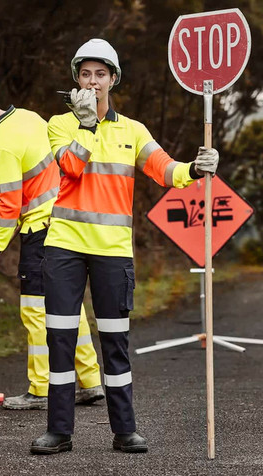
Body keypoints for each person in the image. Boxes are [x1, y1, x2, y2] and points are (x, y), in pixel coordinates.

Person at [30, 38, 219, 454]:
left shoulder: (133, 130)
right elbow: (71, 168)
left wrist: (195, 167)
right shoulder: (59, 124)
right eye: (85, 74)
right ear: (76, 80)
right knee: (59, 339)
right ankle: (59, 432)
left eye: (101, 74)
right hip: (63, 248)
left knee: (115, 342)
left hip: (113, 254)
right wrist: (85, 125)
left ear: (113, 79)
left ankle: (125, 430)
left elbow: (165, 169)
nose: (93, 81)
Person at [0, 84, 105, 410]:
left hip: (40, 233)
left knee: (35, 312)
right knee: (70, 306)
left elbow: (9, 206)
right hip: (66, 224)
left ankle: (40, 389)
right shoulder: (31, 117)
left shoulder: (1, 146)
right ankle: (91, 382)